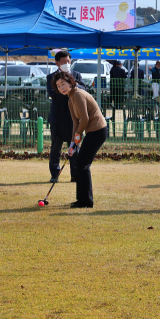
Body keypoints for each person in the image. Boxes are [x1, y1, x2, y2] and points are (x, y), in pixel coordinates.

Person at [52, 72, 107, 208]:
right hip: (91, 131)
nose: (61, 88)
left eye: (63, 84)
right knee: (80, 164)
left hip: (98, 131)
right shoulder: (70, 98)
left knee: (82, 164)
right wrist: (72, 143)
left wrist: (78, 136)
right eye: (58, 86)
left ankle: (86, 201)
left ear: (70, 82)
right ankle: (82, 200)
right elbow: (76, 123)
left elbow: (85, 119)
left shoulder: (78, 94)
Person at [46, 50, 86, 184]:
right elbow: (53, 93)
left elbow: (83, 90)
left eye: (68, 61)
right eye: (64, 62)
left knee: (74, 146)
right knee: (55, 148)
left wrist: (71, 83)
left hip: (72, 118)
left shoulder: (76, 75)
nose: (67, 64)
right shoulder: (51, 77)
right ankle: (54, 174)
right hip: (57, 118)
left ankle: (75, 173)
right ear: (57, 63)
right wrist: (63, 85)